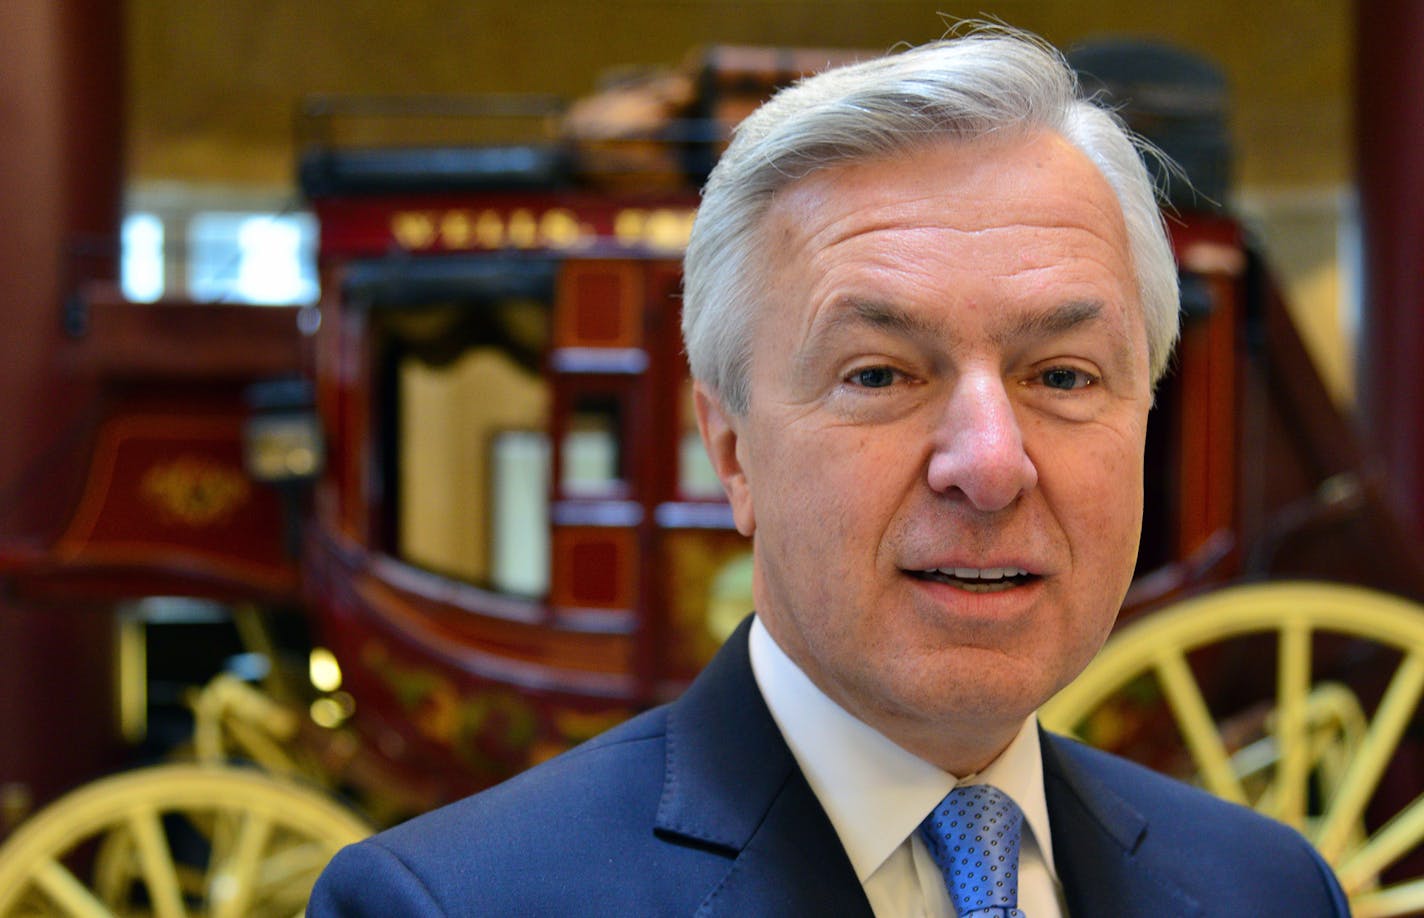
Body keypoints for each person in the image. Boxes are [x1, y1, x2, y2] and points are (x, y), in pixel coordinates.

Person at [310, 25, 1349, 916]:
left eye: (1063, 374)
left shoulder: (1265, 891)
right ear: (731, 450)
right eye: (879, 373)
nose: (989, 464)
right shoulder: (451, 904)